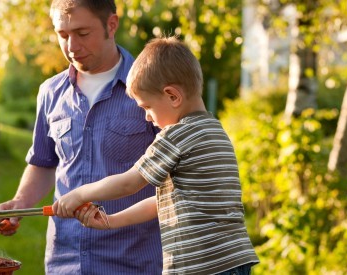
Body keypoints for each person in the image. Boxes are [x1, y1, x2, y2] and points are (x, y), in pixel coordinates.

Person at [53, 36, 260, 274]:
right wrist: (112, 220)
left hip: (202, 266)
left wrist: (79, 193)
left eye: (147, 107)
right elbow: (165, 201)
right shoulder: (214, 130)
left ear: (173, 96)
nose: (147, 118)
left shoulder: (176, 135)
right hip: (233, 262)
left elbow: (129, 183)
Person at [0, 0, 162, 274]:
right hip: (65, 261)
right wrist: (20, 203)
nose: (71, 46)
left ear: (111, 25)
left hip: (135, 262)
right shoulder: (50, 92)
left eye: (82, 34)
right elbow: (44, 163)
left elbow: (177, 176)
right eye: (63, 35)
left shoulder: (153, 88)